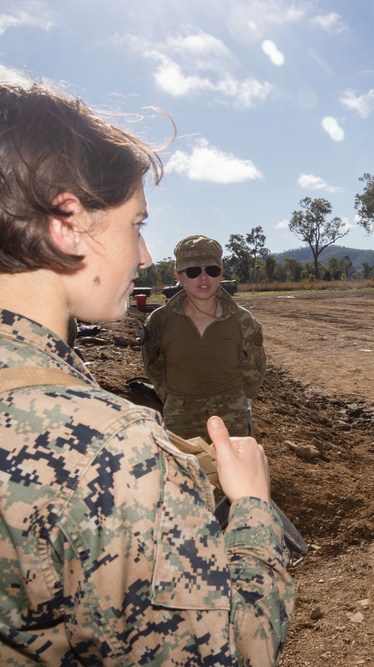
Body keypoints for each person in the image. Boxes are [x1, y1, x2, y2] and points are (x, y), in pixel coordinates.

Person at [0, 83, 292, 664]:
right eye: (136, 223)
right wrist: (255, 508)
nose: (141, 256)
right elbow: (233, 651)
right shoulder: (117, 453)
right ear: (68, 222)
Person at [141, 235, 266, 440]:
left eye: (212, 270)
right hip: (181, 420)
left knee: (234, 472)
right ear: (178, 275)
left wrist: (236, 401)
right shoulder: (159, 321)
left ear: (221, 273)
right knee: (185, 471)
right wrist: (175, 401)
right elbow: (154, 367)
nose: (203, 278)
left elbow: (255, 370)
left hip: (232, 418)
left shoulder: (242, 320)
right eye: (193, 271)